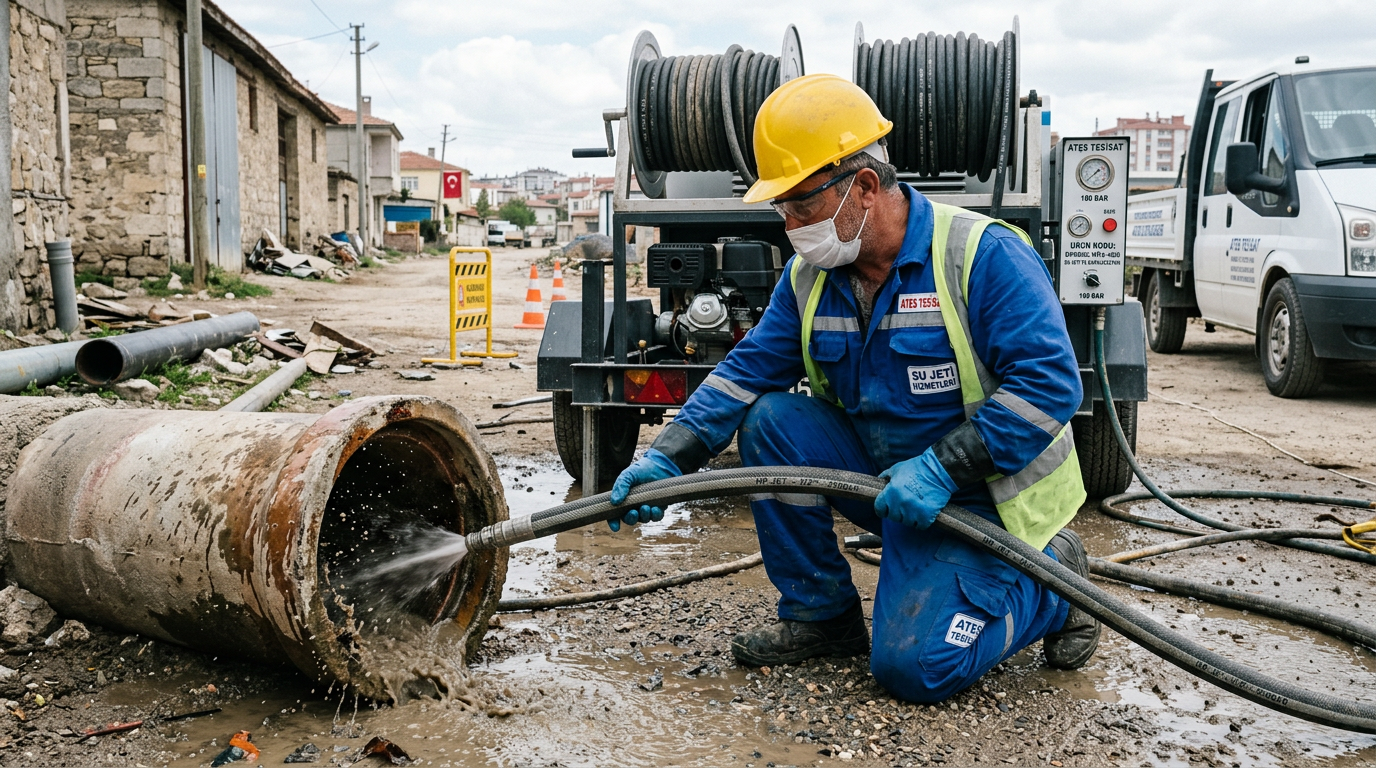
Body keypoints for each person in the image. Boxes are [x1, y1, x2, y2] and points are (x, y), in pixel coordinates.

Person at [607, 74, 1099, 703]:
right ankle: (821, 615)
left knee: (916, 671)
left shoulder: (981, 254)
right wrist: (664, 457)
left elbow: (1049, 386)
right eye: (779, 207)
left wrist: (945, 469)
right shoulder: (811, 276)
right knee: (771, 421)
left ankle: (1054, 582)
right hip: (884, 482)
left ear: (864, 187)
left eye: (802, 204)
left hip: (983, 499)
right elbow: (742, 374)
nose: (789, 224)